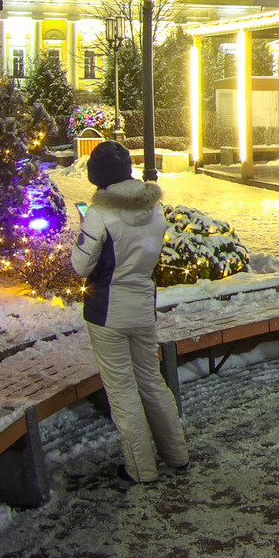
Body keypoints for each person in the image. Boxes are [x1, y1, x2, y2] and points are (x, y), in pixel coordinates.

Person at [70, 140, 189, 484]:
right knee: (152, 381)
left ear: (98, 176)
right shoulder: (154, 209)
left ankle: (141, 469)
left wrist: (83, 233)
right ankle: (176, 454)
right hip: (142, 308)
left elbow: (80, 266)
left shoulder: (100, 214)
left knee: (122, 390)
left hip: (107, 311)